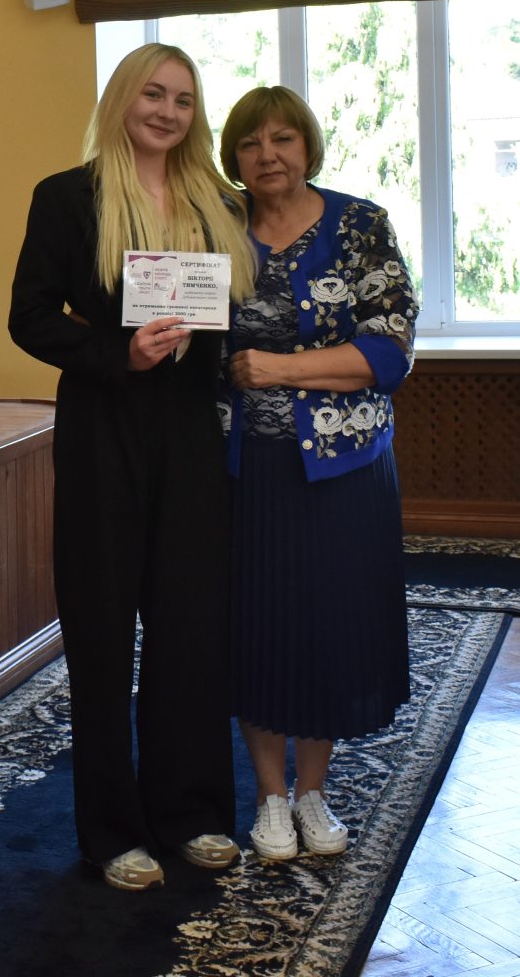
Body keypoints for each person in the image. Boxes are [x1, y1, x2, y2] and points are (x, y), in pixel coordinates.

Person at [9, 44, 256, 890]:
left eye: (183, 100)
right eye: (153, 93)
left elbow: (233, 316)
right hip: (101, 428)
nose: (167, 112)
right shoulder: (65, 196)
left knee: (190, 629)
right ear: (122, 98)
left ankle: (191, 813)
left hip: (189, 432)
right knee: (103, 632)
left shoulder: (218, 200)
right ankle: (113, 832)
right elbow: (29, 317)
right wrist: (118, 352)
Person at [218, 86, 419, 861]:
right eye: (249, 143)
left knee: (329, 625)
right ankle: (270, 797)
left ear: (306, 145)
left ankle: (312, 791)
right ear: (232, 157)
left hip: (343, 469)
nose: (266, 155)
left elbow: (387, 354)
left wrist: (273, 368)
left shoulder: (360, 224)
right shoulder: (214, 228)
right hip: (243, 469)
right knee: (258, 625)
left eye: (282, 139)